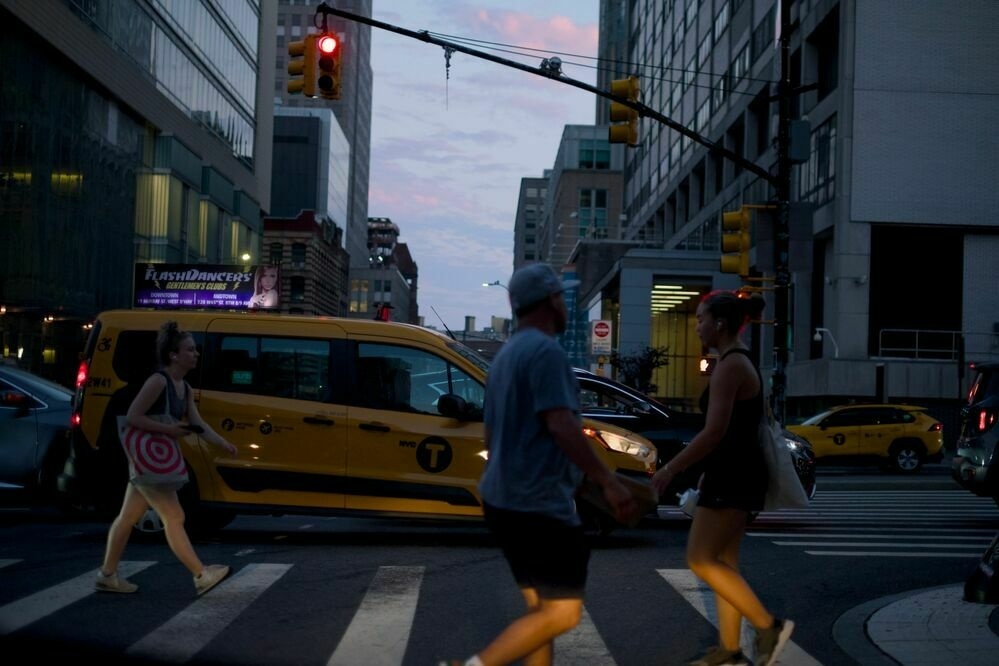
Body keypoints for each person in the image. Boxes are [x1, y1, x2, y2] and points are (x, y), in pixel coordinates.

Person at [446, 263, 640, 666]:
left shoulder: (504, 357)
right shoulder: (546, 352)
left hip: (501, 501)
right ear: (551, 300)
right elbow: (563, 426)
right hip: (536, 506)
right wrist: (607, 481)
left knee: (542, 611)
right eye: (560, 296)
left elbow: (491, 436)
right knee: (562, 612)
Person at [651, 290, 794, 666]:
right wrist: (703, 476)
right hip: (734, 474)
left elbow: (714, 432)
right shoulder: (735, 361)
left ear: (721, 323)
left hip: (734, 478)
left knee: (700, 558)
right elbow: (730, 433)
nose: (696, 326)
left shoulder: (731, 365)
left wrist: (670, 470)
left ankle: (767, 627)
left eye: (700, 319)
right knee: (725, 564)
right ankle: (730, 650)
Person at [96, 321, 238, 596]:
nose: (195, 354)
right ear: (173, 355)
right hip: (149, 458)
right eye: (189, 350)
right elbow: (134, 416)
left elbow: (196, 422)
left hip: (152, 459)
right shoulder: (158, 381)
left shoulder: (183, 387)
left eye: (194, 350)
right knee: (174, 516)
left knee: (127, 517)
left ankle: (107, 574)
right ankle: (201, 574)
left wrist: (223, 444)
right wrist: (169, 430)